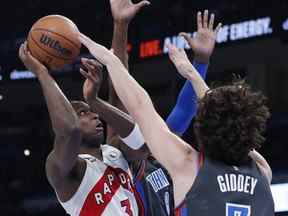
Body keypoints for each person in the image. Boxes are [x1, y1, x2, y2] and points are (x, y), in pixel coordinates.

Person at [79, 15, 275, 215]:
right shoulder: (262, 171)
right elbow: (230, 122)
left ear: (204, 126)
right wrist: (193, 71)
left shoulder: (188, 165)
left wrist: (111, 61)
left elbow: (140, 106)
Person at [82, 6, 219, 215]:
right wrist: (120, 25)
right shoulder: (119, 156)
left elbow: (184, 111)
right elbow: (120, 87)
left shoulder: (160, 151)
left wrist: (201, 61)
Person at [18, 2, 150, 212]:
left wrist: (120, 25)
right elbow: (71, 130)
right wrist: (42, 73)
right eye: (83, 113)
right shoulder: (63, 170)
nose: (95, 116)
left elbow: (124, 104)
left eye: (92, 112)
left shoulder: (115, 152)